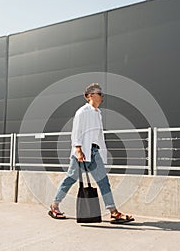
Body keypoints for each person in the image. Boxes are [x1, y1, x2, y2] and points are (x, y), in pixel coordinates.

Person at [48, 83, 134, 224]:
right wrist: (78, 150)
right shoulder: (82, 111)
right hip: (82, 152)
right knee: (70, 178)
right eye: (99, 93)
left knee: (103, 181)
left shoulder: (97, 113)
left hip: (94, 151)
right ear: (90, 95)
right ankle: (54, 206)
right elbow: (76, 132)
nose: (102, 96)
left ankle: (113, 212)